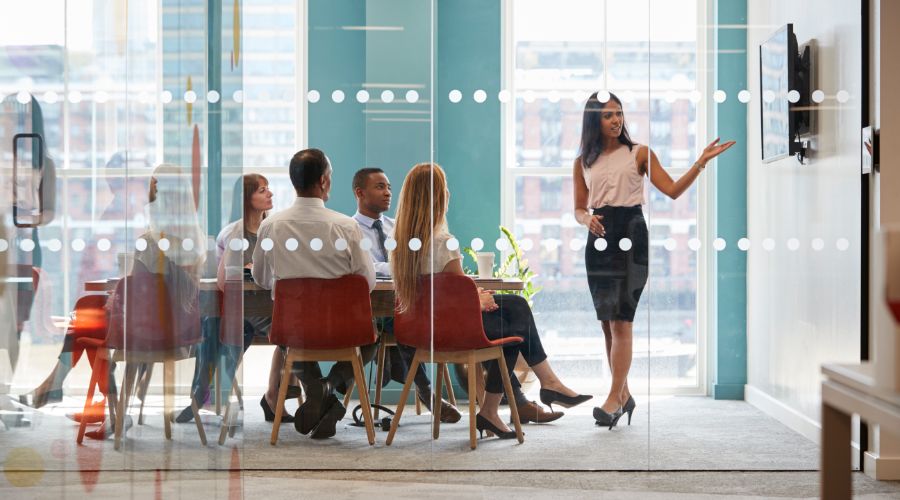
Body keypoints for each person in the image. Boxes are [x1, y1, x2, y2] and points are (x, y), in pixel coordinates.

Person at [392, 162, 590, 439]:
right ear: (440, 197)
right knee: (514, 323)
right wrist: (477, 299)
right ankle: (532, 391)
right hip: (452, 331)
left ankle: (531, 392)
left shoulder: (400, 244)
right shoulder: (444, 241)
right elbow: (454, 297)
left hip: (421, 331)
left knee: (514, 309)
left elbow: (440, 293)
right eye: (445, 189)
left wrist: (475, 296)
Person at [573, 91, 735, 429]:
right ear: (594, 121)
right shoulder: (583, 162)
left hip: (631, 234)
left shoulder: (640, 153)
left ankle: (614, 397)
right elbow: (578, 207)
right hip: (599, 238)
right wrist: (586, 219)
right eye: (608, 115)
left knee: (622, 321)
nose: (616, 120)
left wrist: (700, 162)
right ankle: (623, 395)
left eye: (619, 113)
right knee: (606, 322)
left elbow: (673, 190)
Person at [252, 148, 377, 439]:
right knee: (372, 338)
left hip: (294, 330)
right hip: (345, 329)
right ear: (323, 181)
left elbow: (260, 279)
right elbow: (366, 283)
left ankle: (318, 391)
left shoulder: (270, 226)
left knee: (288, 337)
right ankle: (330, 386)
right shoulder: (346, 226)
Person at [174, 173, 297, 424]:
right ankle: (277, 395)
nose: (270, 194)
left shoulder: (273, 229)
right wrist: (249, 269)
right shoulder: (235, 233)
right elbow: (222, 281)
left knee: (293, 332)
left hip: (270, 304)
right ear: (247, 198)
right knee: (288, 334)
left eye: (268, 189)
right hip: (243, 308)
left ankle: (274, 395)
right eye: (262, 190)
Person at [351, 167, 461, 424]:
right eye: (380, 187)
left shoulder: (399, 228)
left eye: (389, 186)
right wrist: (400, 267)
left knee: (404, 314)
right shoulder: (350, 229)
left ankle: (425, 391)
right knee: (398, 318)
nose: (388, 192)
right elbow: (361, 268)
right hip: (373, 307)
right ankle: (426, 392)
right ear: (360, 193)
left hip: (405, 303)